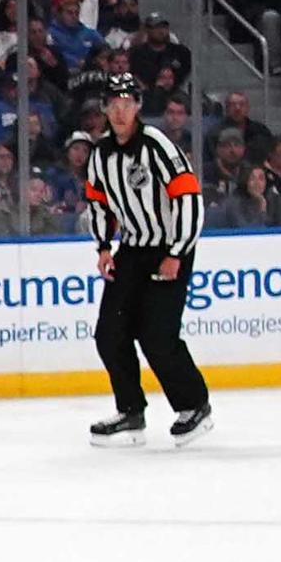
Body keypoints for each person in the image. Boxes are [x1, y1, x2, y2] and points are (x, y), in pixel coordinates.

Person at [80, 70, 208, 448]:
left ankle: (194, 405)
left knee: (157, 334)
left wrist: (176, 253)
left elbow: (189, 198)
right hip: (132, 248)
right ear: (105, 108)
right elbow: (98, 201)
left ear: (137, 106)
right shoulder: (100, 153)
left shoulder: (158, 146)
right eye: (113, 104)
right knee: (110, 332)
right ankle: (130, 411)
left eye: (127, 103)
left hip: (169, 248)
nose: (120, 111)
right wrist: (104, 246)